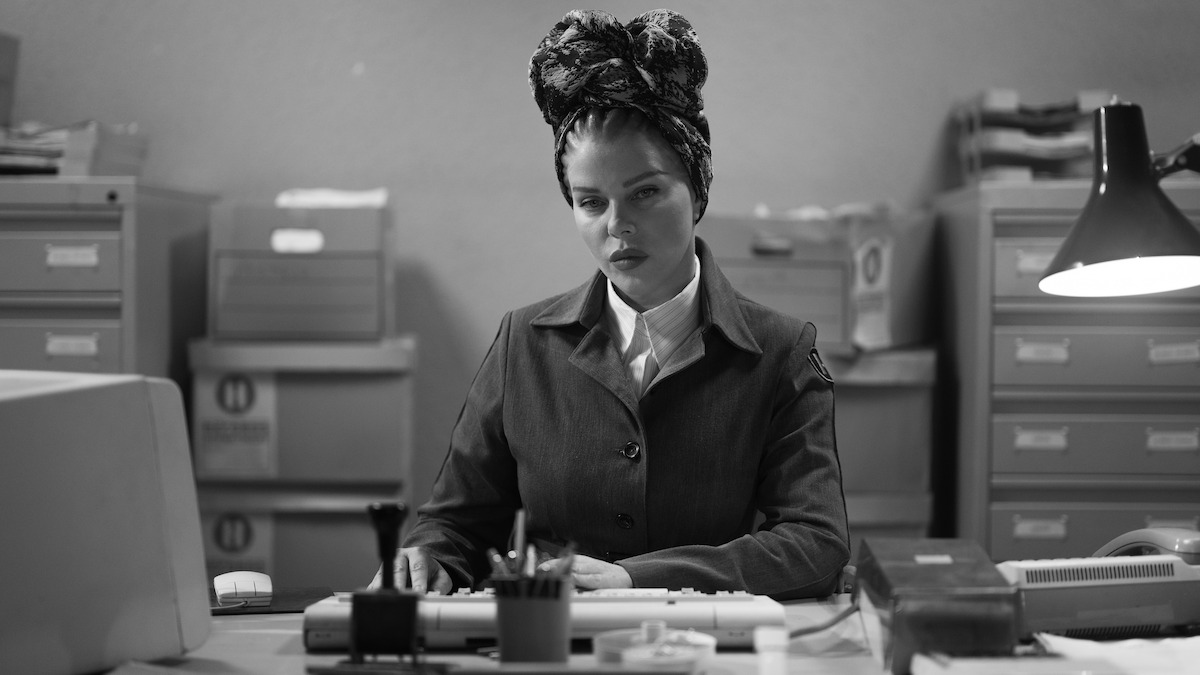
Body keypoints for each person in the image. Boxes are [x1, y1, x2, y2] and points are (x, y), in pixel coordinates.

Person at [375, 8, 849, 600]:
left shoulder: (779, 351)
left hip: (697, 642)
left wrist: (637, 579)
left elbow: (815, 542)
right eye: (590, 202)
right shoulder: (524, 341)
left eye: (645, 192)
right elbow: (457, 525)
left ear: (696, 190)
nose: (617, 225)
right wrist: (428, 559)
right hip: (545, 636)